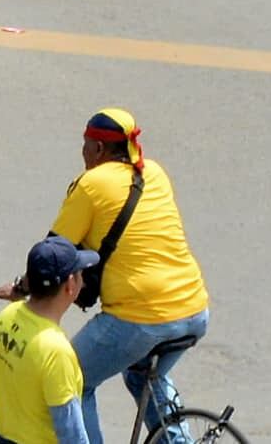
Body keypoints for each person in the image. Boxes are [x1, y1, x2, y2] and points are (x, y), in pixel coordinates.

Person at [50, 106, 210, 424]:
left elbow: (55, 253)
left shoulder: (91, 183)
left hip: (140, 318)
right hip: (194, 309)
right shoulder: (154, 172)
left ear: (97, 148)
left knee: (72, 379)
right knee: (143, 376)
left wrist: (23, 288)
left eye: (84, 144)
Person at [0, 234, 104, 444]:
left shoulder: (5, 317)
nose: (83, 280)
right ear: (70, 285)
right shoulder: (55, 350)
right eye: (80, 273)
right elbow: (71, 433)